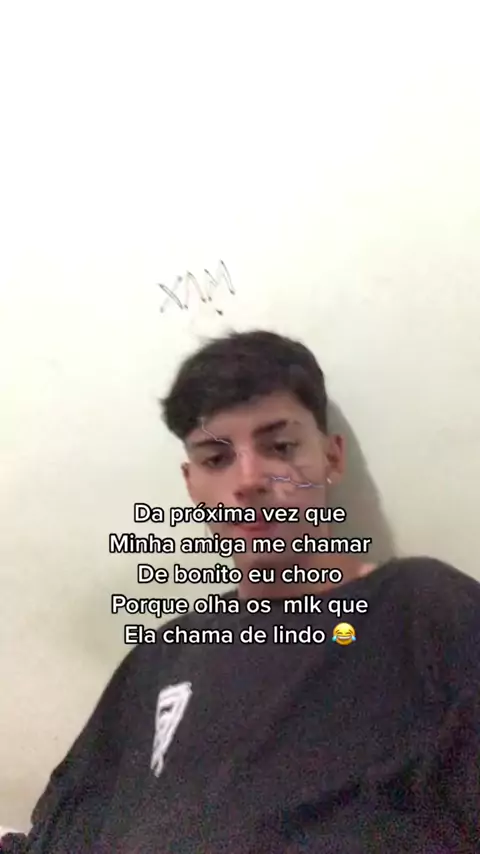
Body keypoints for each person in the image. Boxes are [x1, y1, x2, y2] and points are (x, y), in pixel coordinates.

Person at [3, 329, 480, 853]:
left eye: (280, 447)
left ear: (332, 458)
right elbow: (61, 830)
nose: (249, 479)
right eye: (216, 459)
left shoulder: (423, 611)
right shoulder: (163, 655)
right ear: (191, 484)